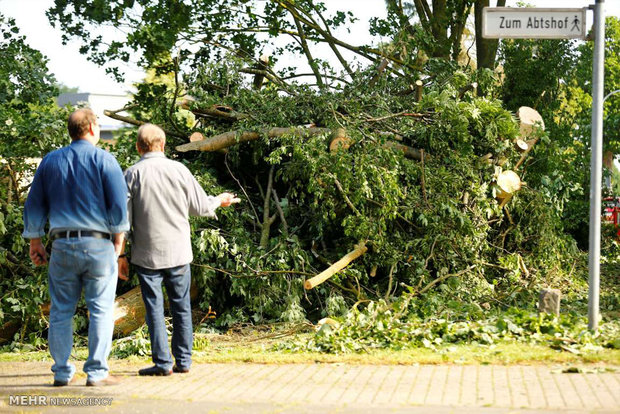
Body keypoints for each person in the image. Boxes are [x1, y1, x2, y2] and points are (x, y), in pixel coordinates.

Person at [119, 124, 238, 376]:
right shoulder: (180, 170)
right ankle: (183, 361)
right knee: (181, 306)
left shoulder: (131, 174)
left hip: (146, 254)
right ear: (162, 145)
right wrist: (220, 200)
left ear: (138, 147)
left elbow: (122, 220)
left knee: (153, 308)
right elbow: (200, 207)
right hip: (178, 253)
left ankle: (162, 363)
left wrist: (120, 254)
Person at [23, 108, 129, 387]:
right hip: (98, 245)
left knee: (60, 311)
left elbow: (34, 204)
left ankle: (60, 371)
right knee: (101, 310)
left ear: (71, 131)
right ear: (93, 129)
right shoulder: (106, 160)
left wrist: (35, 239)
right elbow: (119, 205)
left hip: (62, 246)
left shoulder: (50, 161)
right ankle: (96, 372)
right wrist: (119, 241)